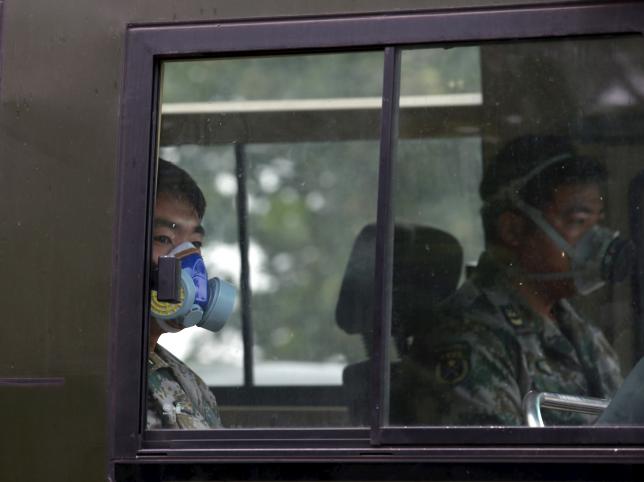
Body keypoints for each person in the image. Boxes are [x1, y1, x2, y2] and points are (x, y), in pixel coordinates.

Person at [397, 136, 630, 426]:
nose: (597, 240)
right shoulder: (468, 340)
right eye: (578, 221)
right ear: (513, 229)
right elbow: (501, 469)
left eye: (597, 222)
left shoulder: (580, 332)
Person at [146, 159, 227, 429]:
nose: (190, 260)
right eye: (163, 239)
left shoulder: (194, 388)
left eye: (196, 243)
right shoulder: (97, 383)